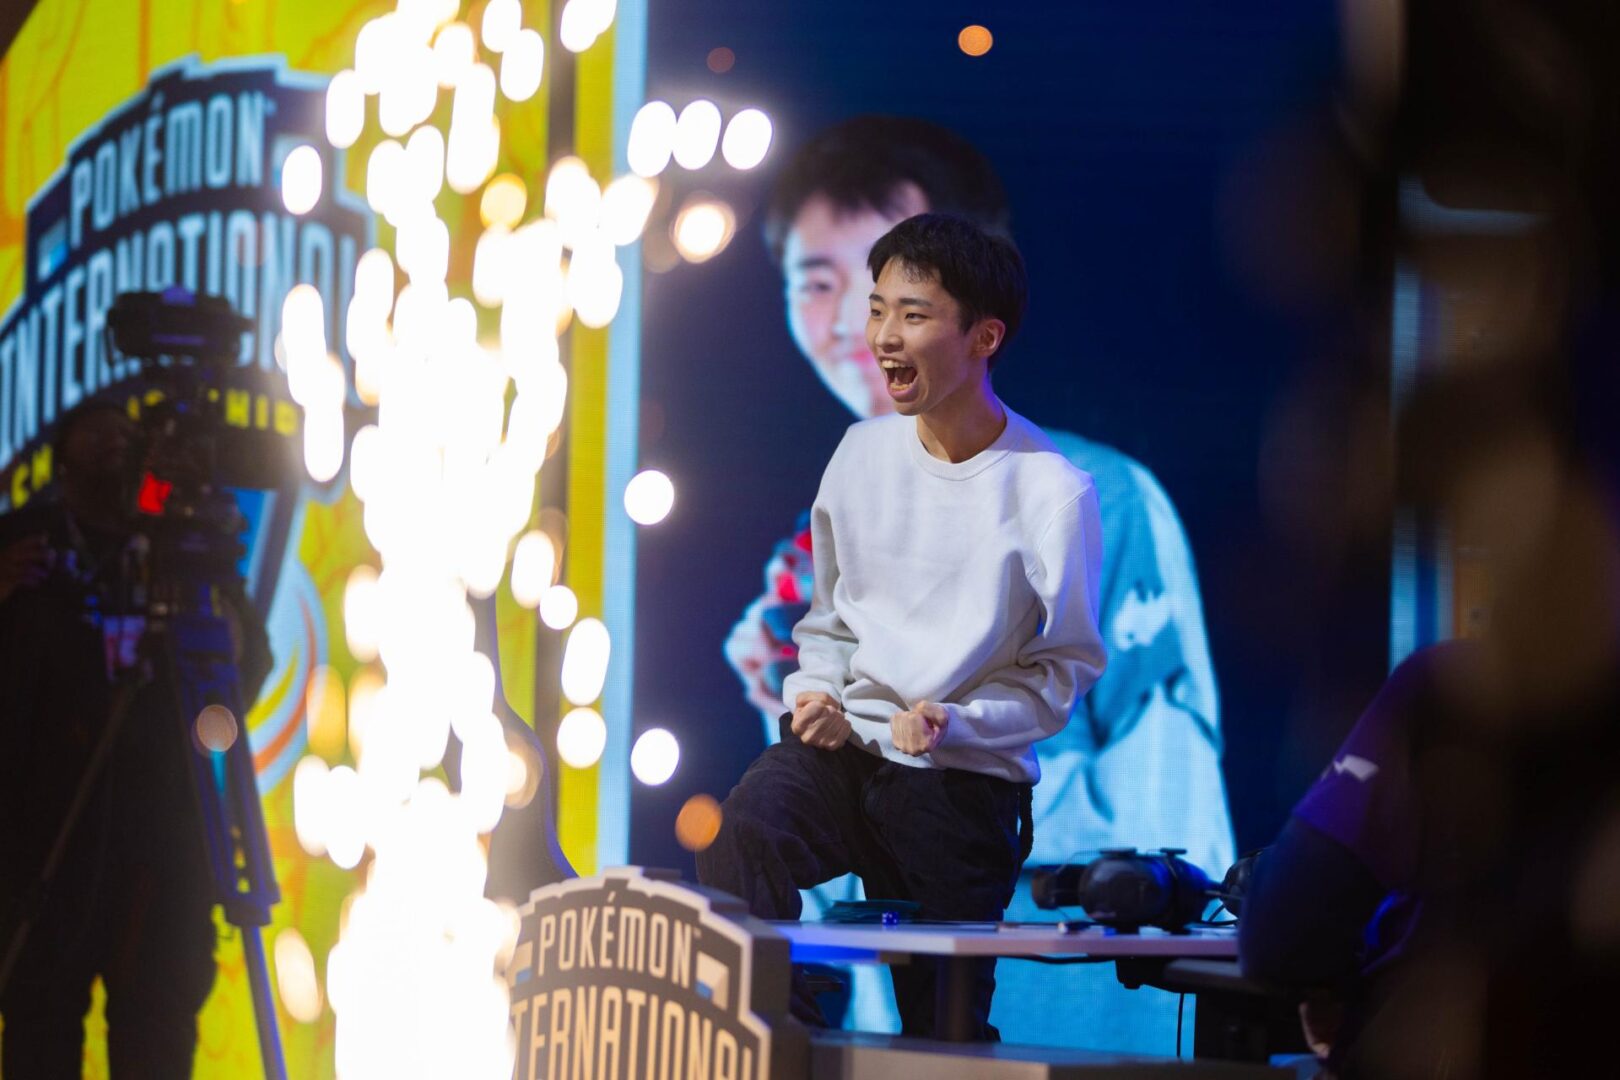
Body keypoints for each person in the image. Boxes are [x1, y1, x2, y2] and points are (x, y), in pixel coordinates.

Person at [724, 116, 1234, 885]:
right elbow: (825, 880)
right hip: (882, 964)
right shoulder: (829, 521)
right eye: (818, 283)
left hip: (1053, 960)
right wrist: (795, 710)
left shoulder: (1098, 497)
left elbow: (1171, 825)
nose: (860, 322)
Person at [698, 213, 1107, 1039]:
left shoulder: (1051, 491)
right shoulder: (861, 453)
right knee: (743, 832)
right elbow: (828, 621)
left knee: (942, 1030)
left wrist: (958, 722)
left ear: (984, 336)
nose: (884, 336)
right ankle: (783, 1040)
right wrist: (815, 694)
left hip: (961, 788)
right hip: (846, 753)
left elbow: (1060, 671)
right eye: (878, 308)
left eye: (913, 315)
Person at [0, 400, 270, 1077]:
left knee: (157, 1026)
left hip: (161, 842)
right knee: (39, 1028)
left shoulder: (184, 546)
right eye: (97, 429)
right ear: (63, 452)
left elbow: (247, 669)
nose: (116, 441)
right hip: (44, 834)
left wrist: (227, 635)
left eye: (126, 431)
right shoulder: (22, 542)